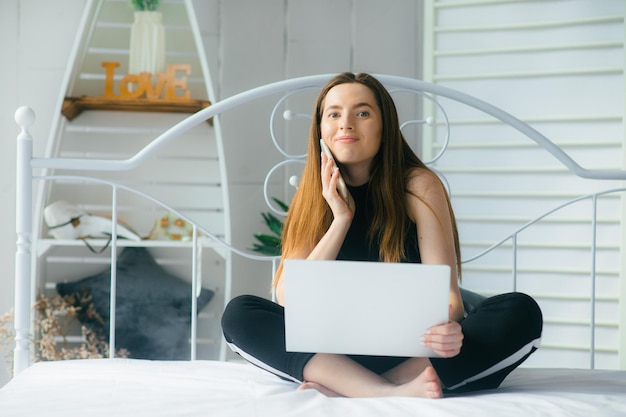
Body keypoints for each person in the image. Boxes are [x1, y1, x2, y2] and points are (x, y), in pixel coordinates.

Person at [222, 72, 543, 398]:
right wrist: (341, 219)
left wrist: (450, 331)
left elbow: (449, 299)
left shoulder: (418, 186)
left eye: (362, 113)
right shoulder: (312, 195)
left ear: (384, 126)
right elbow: (290, 298)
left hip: (413, 351)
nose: (345, 124)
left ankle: (356, 386)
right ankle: (383, 390)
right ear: (320, 129)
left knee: (520, 312)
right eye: (333, 114)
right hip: (335, 351)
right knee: (239, 315)